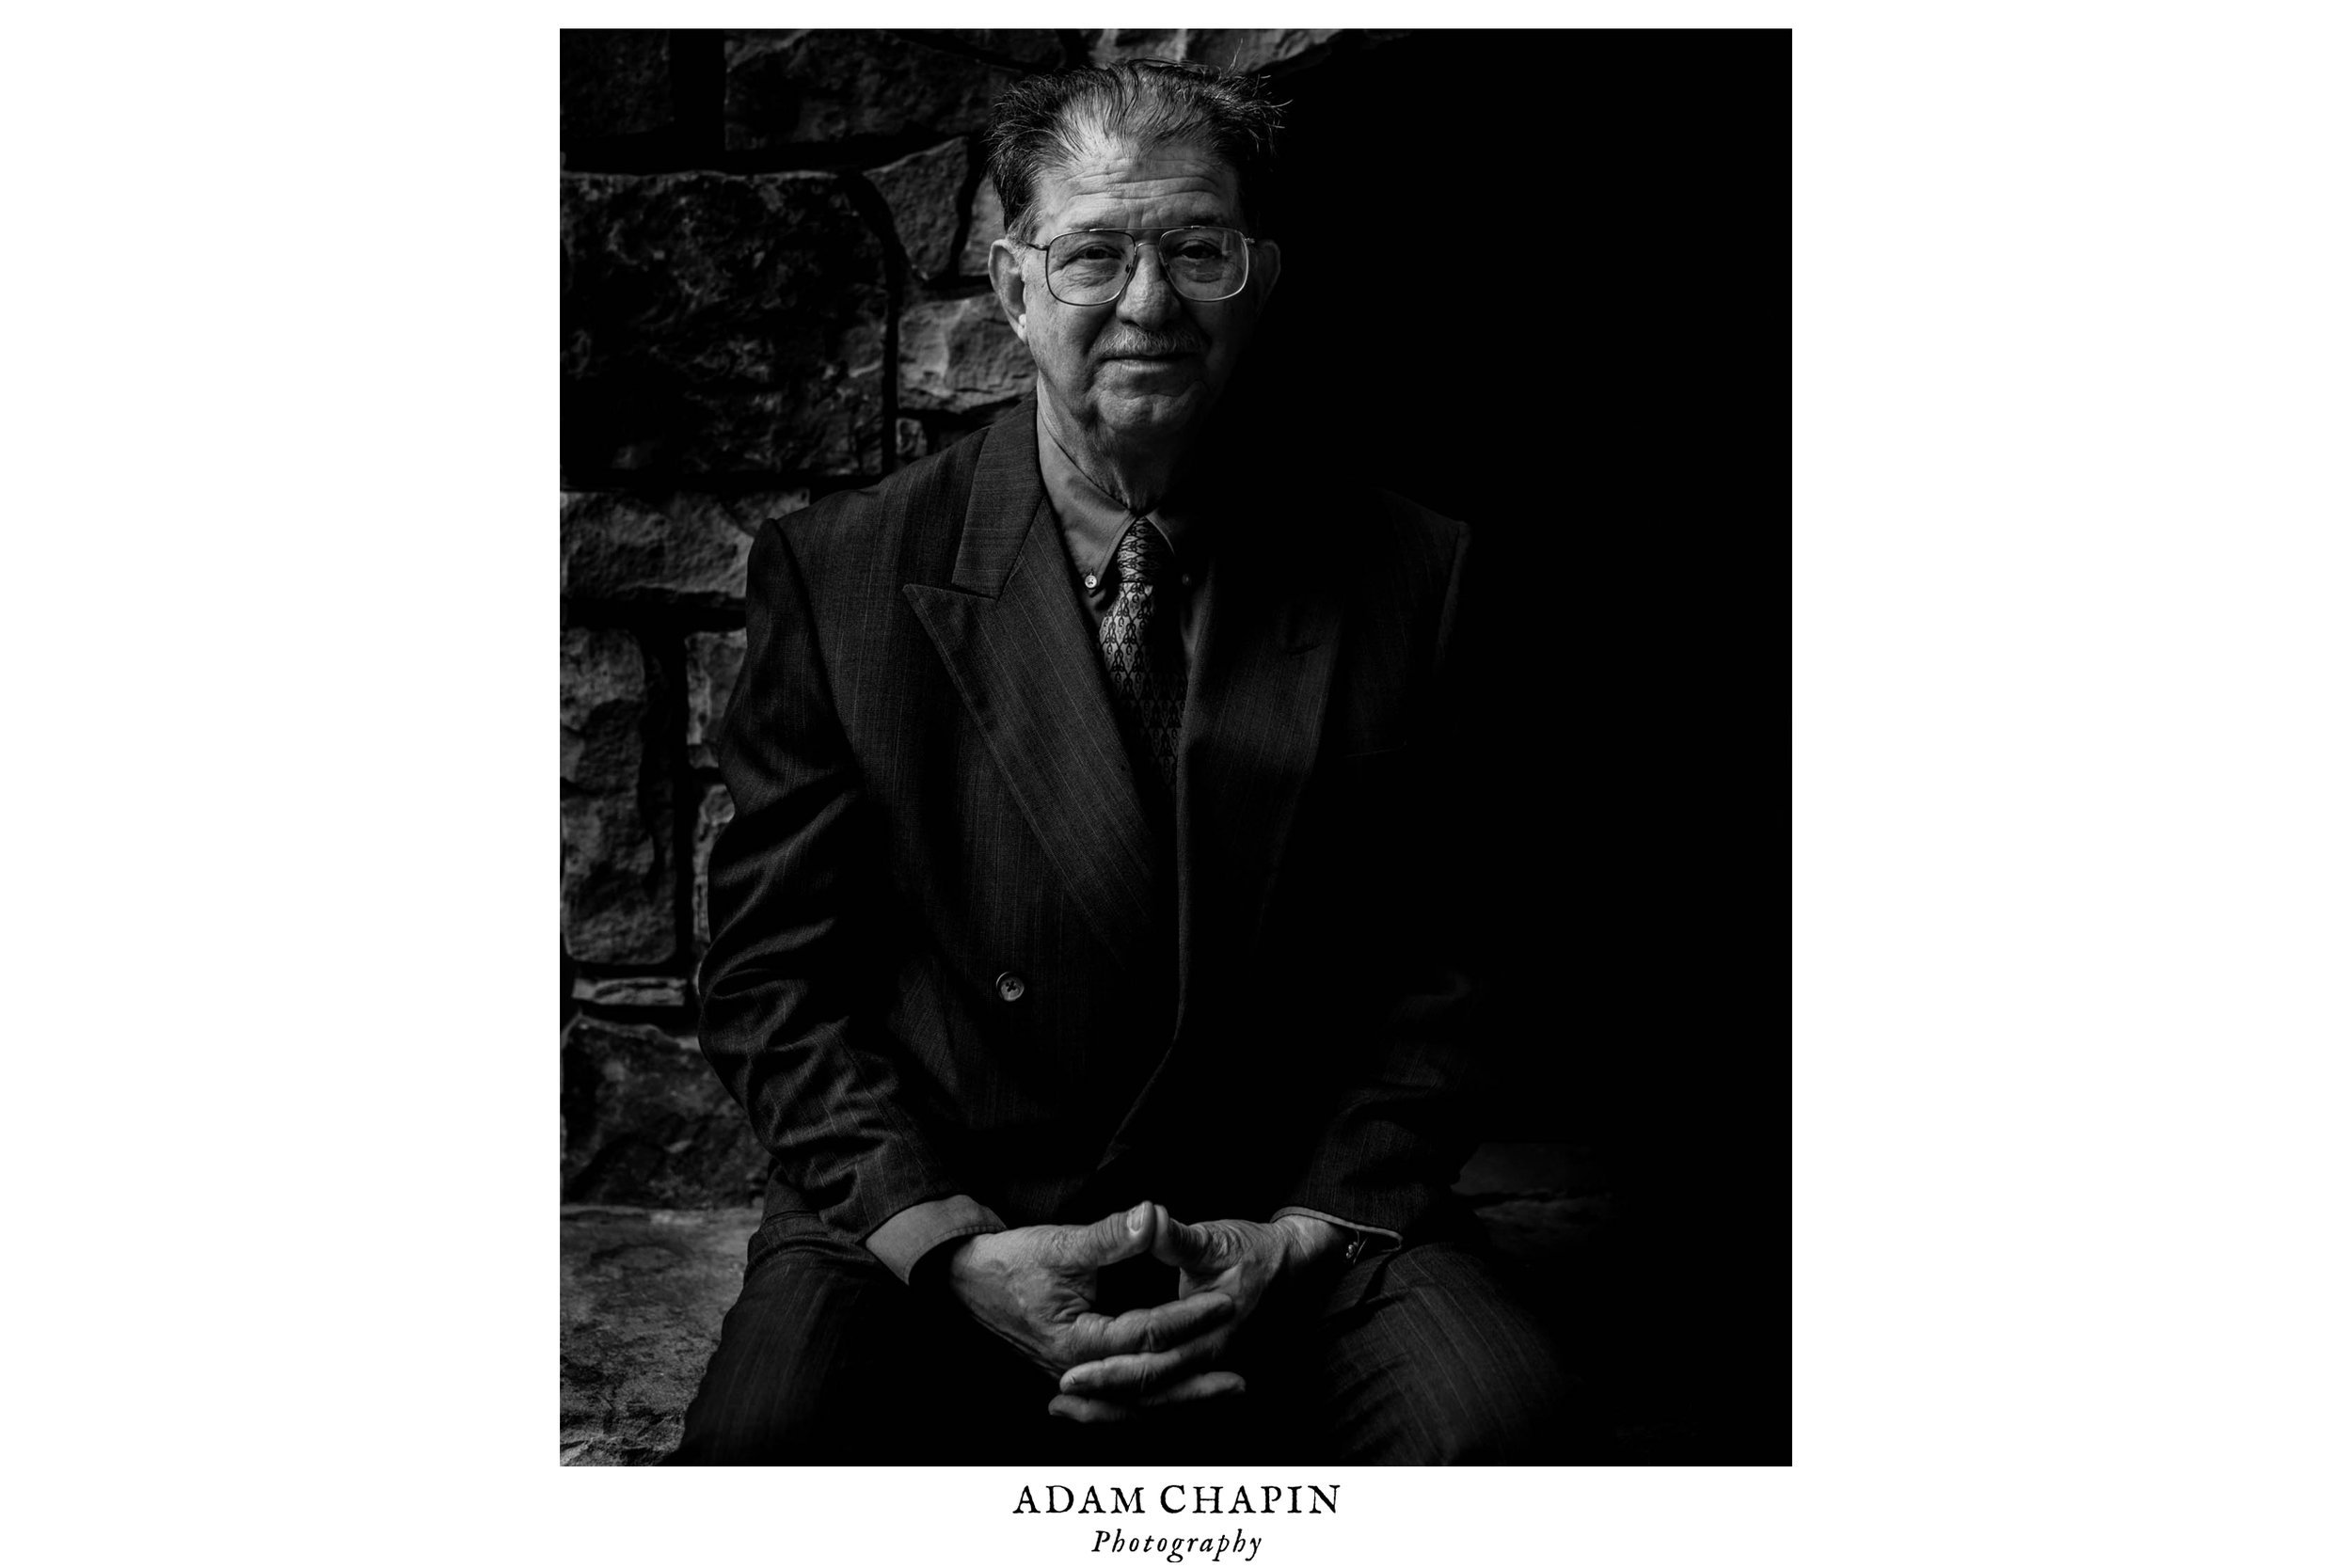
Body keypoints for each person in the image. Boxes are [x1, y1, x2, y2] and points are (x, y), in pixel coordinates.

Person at [669, 59, 1573, 1465]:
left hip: (1287, 1213)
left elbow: (1455, 966)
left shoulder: (1413, 570)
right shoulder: (843, 573)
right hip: (956, 1198)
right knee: (769, 1445)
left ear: (1259, 277)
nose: (1147, 305)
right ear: (1016, 285)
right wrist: (950, 1247)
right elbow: (772, 977)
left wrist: (1305, 1231)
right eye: (1095, 253)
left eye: (1195, 251)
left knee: (1505, 1435)